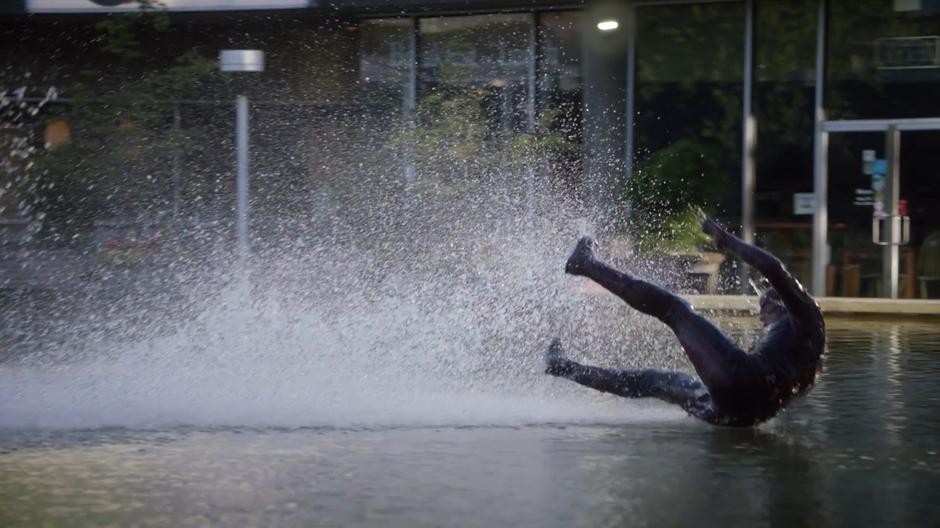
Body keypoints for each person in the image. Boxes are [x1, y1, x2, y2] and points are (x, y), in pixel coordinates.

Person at [546, 218, 825, 427]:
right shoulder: (802, 345)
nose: (761, 317)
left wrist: (724, 239)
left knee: (674, 309)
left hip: (742, 382)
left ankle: (584, 264)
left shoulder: (805, 316)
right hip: (739, 415)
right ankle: (563, 367)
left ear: (780, 303)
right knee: (652, 381)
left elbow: (773, 269)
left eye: (763, 309)